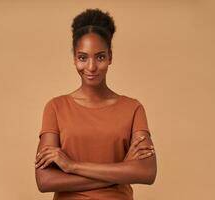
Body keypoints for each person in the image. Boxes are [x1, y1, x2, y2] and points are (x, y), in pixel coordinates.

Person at [34, 8, 157, 200]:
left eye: (99, 57)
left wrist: (71, 166)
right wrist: (122, 170)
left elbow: (147, 172)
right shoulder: (55, 108)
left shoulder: (133, 109)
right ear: (75, 59)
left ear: (110, 57)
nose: (91, 67)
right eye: (83, 57)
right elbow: (45, 180)